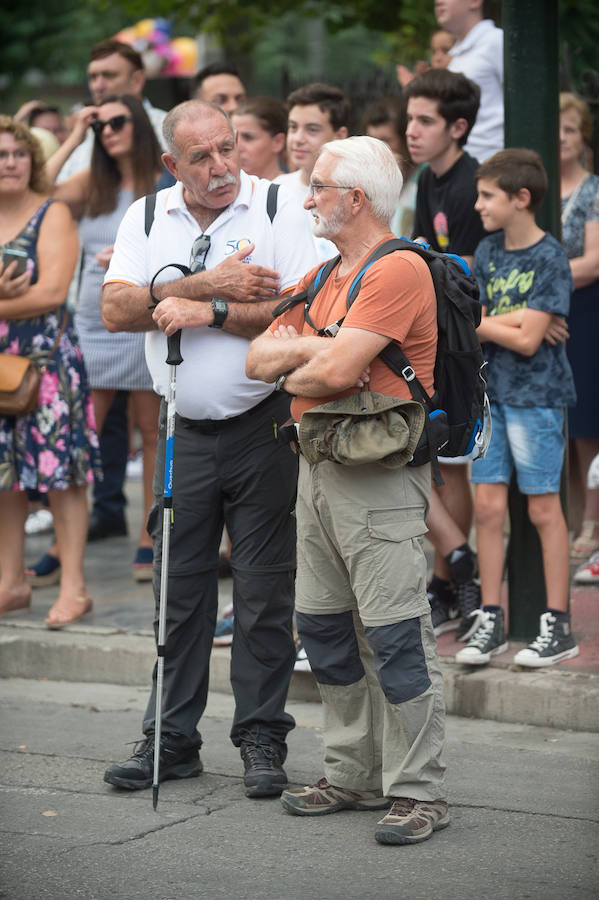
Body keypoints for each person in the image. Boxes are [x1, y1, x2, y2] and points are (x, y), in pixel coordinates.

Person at [100, 99, 318, 797]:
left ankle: (260, 736)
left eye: (228, 147)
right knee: (178, 591)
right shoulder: (146, 214)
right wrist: (208, 285)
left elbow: (298, 310)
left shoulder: (280, 205)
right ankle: (169, 737)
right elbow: (116, 308)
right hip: (181, 433)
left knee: (262, 594)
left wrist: (208, 312)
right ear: (173, 164)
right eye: (202, 157)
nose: (223, 166)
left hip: (264, 425)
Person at [246, 135, 448, 846]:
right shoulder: (328, 274)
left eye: (317, 186)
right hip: (319, 467)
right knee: (327, 630)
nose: (306, 198)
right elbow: (257, 358)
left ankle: (417, 790)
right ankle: (352, 773)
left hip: (378, 479)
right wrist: (318, 349)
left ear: (354, 199)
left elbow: (331, 375)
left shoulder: (396, 271)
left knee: (396, 636)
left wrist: (311, 357)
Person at [26, 95, 173, 584]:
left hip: (140, 316)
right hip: (91, 323)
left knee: (151, 433)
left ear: (140, 124)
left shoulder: (163, 183)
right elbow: (34, 189)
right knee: (78, 439)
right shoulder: (92, 181)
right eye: (100, 124)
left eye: (117, 121)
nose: (108, 130)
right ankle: (64, 549)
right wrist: (74, 135)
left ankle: (150, 538)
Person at [456, 148, 579, 668]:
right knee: (486, 508)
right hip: (493, 396)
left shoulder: (551, 257)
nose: (478, 204)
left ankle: (557, 623)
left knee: (543, 509)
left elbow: (527, 343)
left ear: (521, 198)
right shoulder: (486, 251)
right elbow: (515, 328)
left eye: (488, 195)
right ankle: (490, 616)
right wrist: (518, 320)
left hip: (538, 400)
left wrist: (480, 322)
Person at [0, 118, 101, 627]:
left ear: (32, 161)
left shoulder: (52, 213)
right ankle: (11, 582)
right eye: (1, 155)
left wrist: (11, 300)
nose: (10, 163)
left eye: (18, 153)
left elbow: (51, 294)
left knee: (61, 476)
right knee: (5, 478)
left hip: (45, 363)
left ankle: (75, 589)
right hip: (0, 363)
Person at [403, 67, 485, 639]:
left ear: (457, 127)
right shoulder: (427, 179)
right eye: (409, 117)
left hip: (465, 344)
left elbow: (471, 272)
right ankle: (443, 577)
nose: (411, 130)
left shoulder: (470, 184)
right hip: (434, 337)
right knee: (436, 459)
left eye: (424, 121)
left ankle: (455, 582)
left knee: (454, 460)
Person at [559, 92, 599, 560]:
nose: (561, 138)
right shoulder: (539, 187)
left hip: (585, 313)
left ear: (583, 135)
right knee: (555, 425)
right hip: (544, 314)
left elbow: (592, 264)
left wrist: (544, 272)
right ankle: (562, 521)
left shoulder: (592, 190)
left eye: (569, 129)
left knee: (587, 424)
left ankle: (590, 524)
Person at [57, 40, 168, 183]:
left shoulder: (169, 127)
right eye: (93, 77)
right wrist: (73, 140)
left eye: (109, 75)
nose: (98, 86)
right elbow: (48, 192)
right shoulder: (85, 132)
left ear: (137, 80)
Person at [275, 82, 350, 261]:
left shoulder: (353, 196)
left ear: (339, 136)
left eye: (312, 130)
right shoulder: (276, 188)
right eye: (293, 127)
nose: (298, 139)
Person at [434, 0, 504, 162]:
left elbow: (526, 105)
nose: (438, 1)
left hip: (493, 166)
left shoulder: (496, 41)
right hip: (463, 164)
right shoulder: (457, 52)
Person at [361, 96, 422, 238]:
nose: (377, 150)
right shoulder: (363, 180)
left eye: (385, 141)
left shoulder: (424, 177)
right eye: (372, 141)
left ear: (404, 139)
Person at [231, 97, 287, 181]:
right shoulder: (225, 191)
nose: (237, 147)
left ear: (278, 142)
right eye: (233, 137)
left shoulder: (291, 191)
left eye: (248, 137)